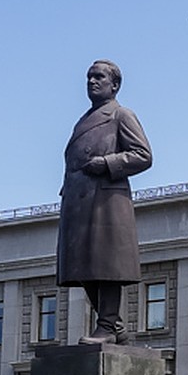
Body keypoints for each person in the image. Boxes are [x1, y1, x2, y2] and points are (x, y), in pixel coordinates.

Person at [56, 61, 153, 344]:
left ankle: (108, 326)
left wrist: (107, 163)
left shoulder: (121, 115)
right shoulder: (84, 119)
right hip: (78, 202)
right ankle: (115, 328)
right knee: (82, 266)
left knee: (105, 265)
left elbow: (143, 155)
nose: (92, 81)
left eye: (99, 77)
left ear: (115, 85)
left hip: (106, 201)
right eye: (89, 77)